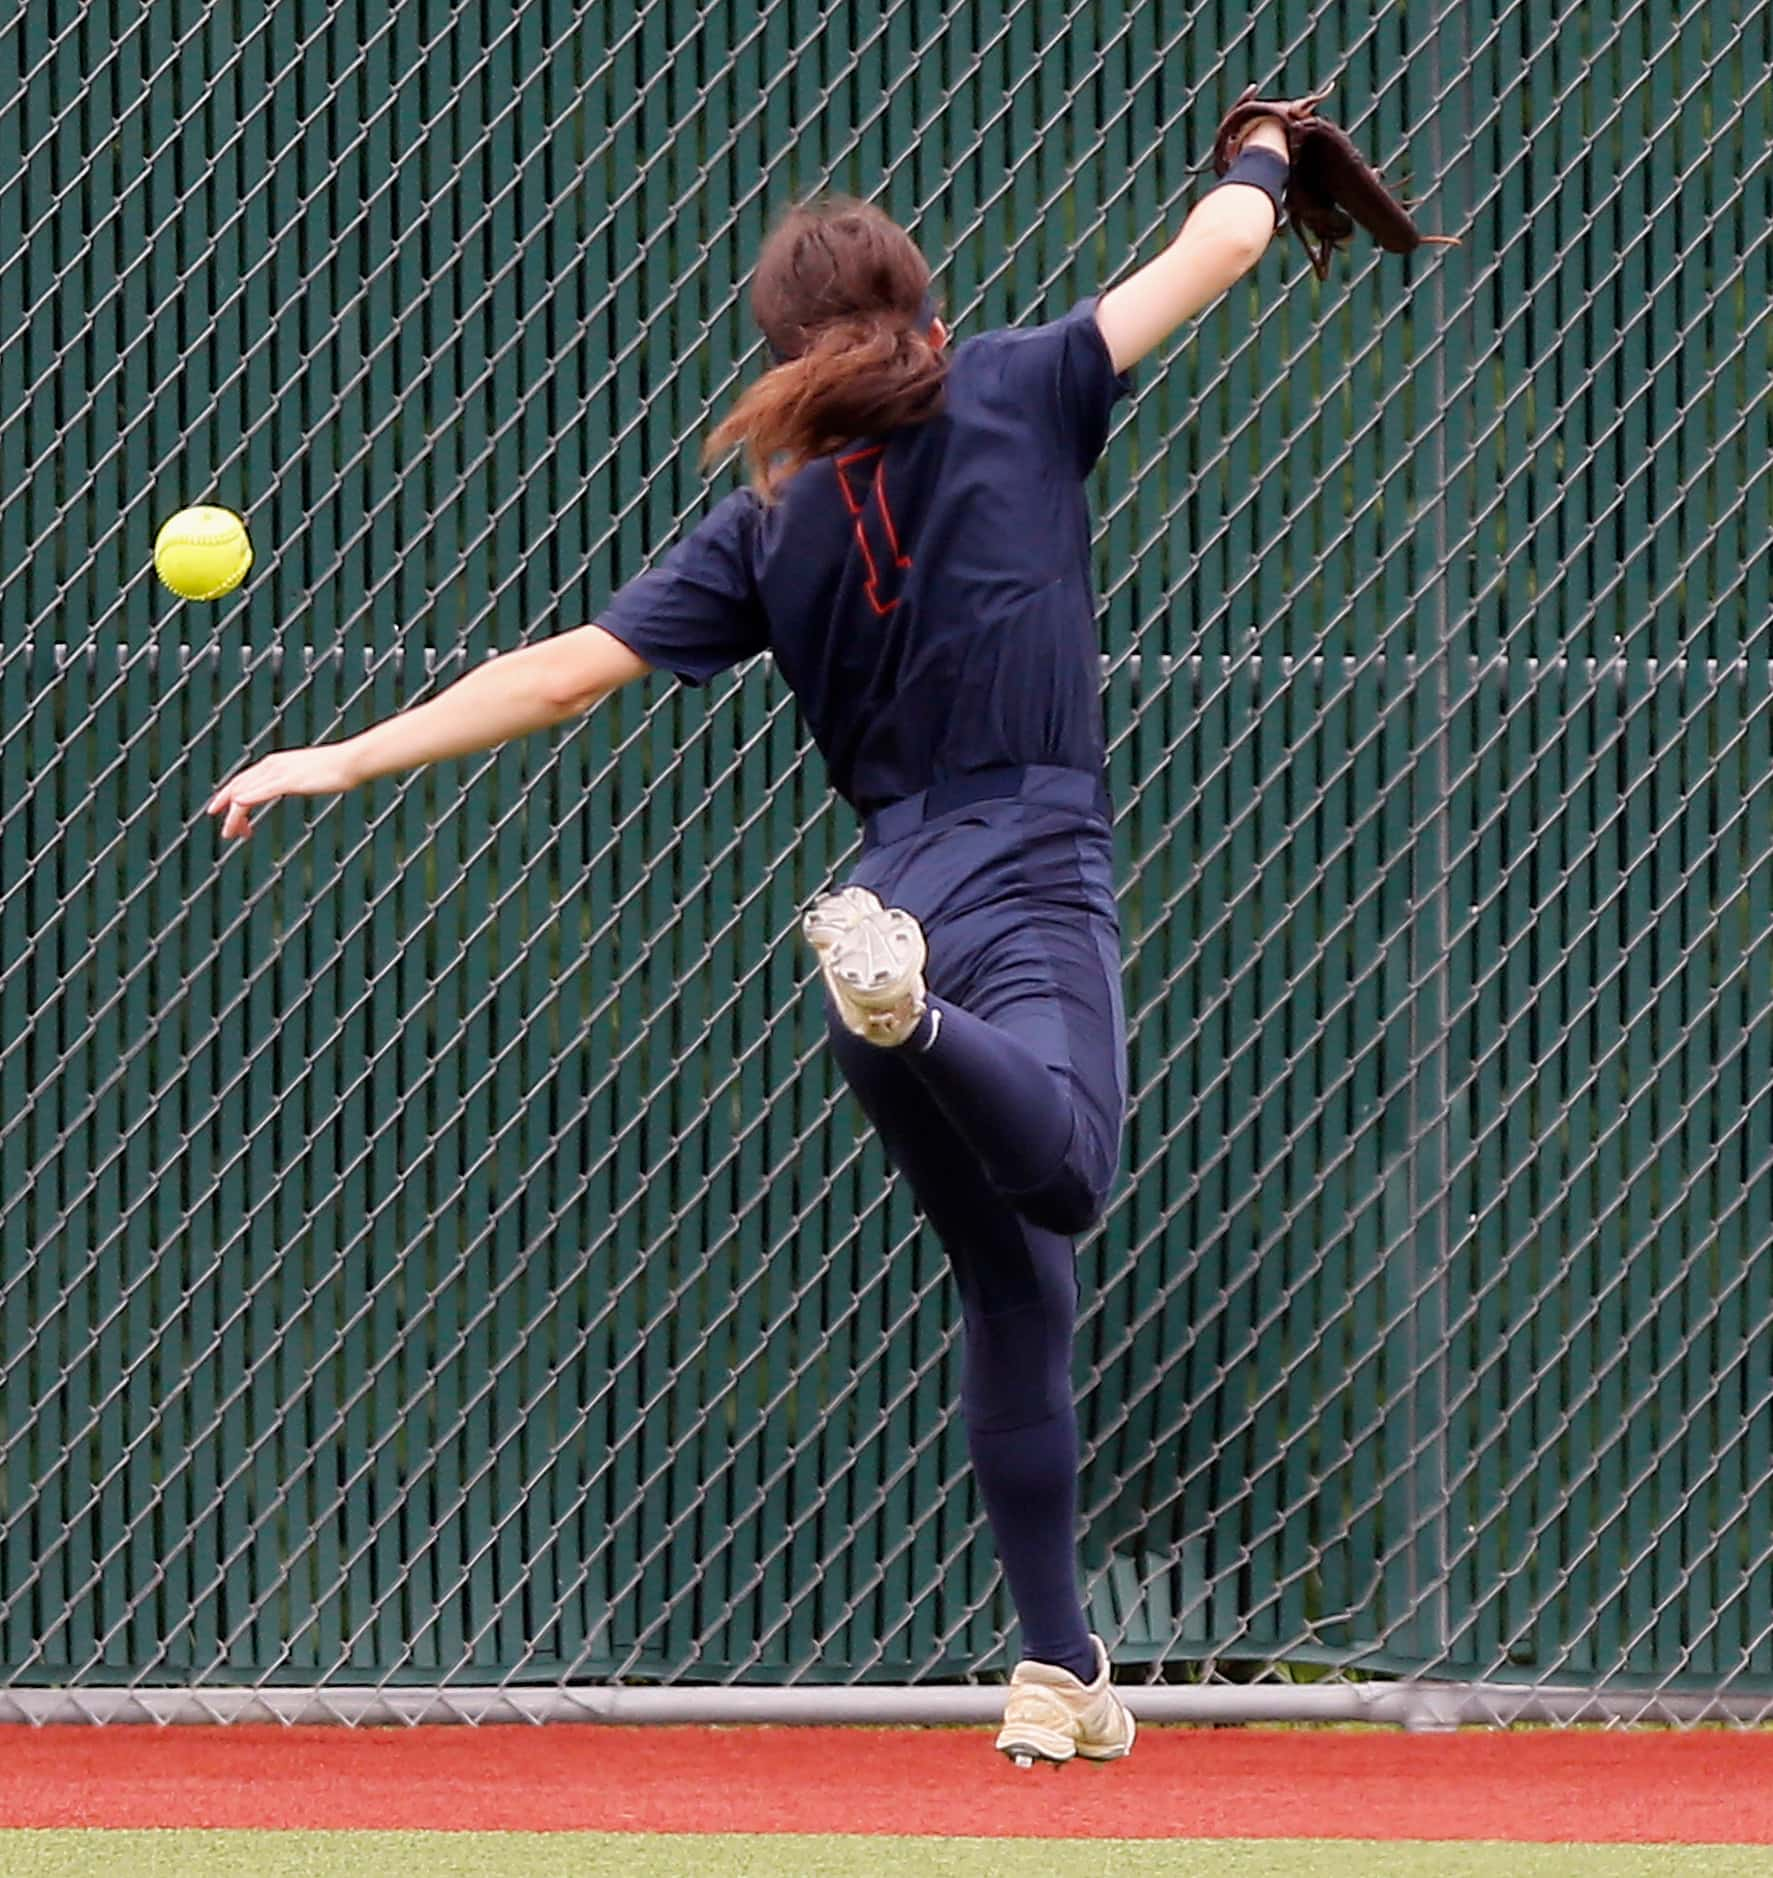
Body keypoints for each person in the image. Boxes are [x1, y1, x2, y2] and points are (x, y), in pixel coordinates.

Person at [209, 104, 1299, 1766]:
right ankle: (914, 1016)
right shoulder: (1018, 378)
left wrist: (343, 752)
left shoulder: (770, 519)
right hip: (1017, 877)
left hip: (892, 883)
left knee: (1016, 1292)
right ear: (926, 314)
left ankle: (1062, 1665)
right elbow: (1226, 243)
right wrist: (1265, 144)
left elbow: (565, 671)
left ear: (784, 356)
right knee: (1068, 1176)